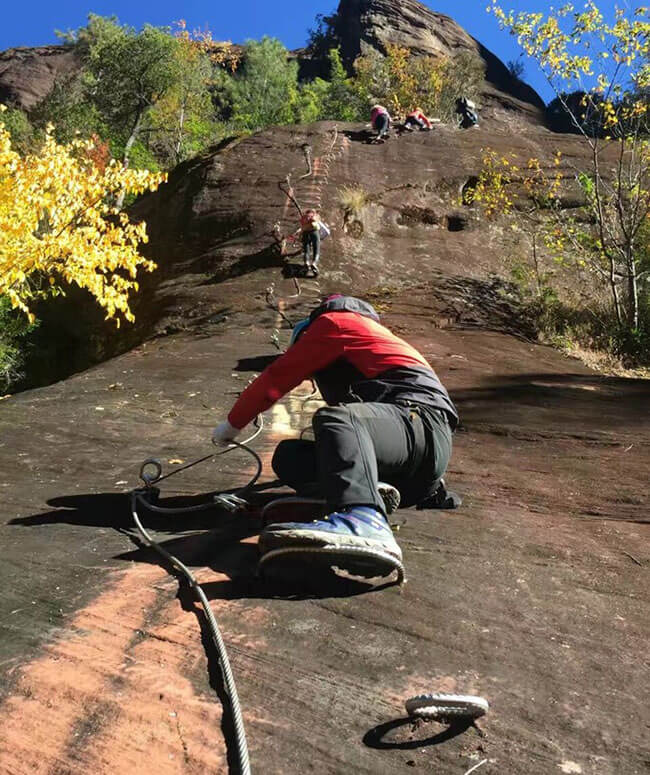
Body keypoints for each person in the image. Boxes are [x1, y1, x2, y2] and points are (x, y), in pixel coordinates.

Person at [212, 294, 460, 566]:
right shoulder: (372, 341)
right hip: (412, 466)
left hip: (418, 421)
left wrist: (231, 426)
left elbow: (275, 379)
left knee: (337, 419)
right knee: (289, 457)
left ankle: (363, 520)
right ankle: (359, 494)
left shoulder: (335, 323)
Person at [297, 208, 323, 276]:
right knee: (316, 249)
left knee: (306, 250)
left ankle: (306, 263)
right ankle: (314, 263)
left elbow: (302, 228)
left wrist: (300, 237)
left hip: (305, 233)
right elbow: (318, 224)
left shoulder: (303, 217)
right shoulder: (315, 215)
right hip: (314, 232)